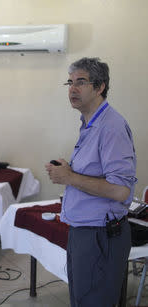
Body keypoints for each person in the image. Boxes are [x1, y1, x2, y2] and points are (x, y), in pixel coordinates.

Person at [45, 57, 137, 307]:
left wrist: (70, 177)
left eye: (81, 82)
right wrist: (67, 171)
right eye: (70, 82)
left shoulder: (112, 127)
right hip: (84, 232)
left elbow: (121, 191)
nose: (72, 89)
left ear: (100, 87)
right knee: (81, 300)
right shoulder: (90, 124)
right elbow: (96, 172)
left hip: (101, 236)